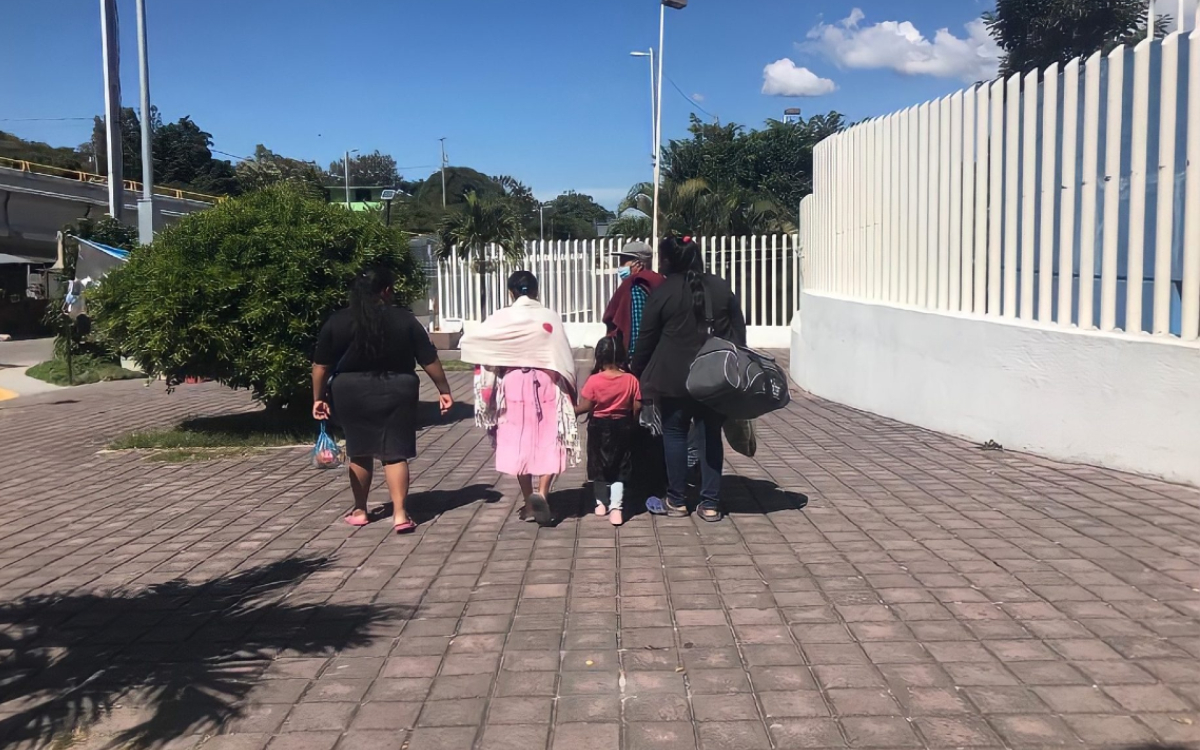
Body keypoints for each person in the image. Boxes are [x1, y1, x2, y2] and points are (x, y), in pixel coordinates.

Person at [312, 267, 453, 533]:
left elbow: (321, 366)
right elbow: (428, 359)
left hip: (350, 391)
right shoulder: (405, 320)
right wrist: (444, 389)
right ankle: (400, 515)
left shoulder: (337, 321)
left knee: (359, 450)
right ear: (386, 291)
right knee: (395, 453)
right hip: (398, 389)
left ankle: (360, 510)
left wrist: (318, 398)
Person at [631, 236, 747, 522]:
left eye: (662, 258)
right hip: (715, 378)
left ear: (669, 260)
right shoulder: (721, 287)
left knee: (675, 434)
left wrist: (637, 371)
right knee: (710, 436)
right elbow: (739, 334)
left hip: (673, 380)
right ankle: (710, 504)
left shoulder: (663, 291)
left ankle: (677, 500)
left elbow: (646, 339)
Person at [460, 271, 579, 527]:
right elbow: (563, 355)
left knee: (517, 439)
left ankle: (528, 500)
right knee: (550, 437)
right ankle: (542, 494)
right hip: (547, 381)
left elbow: (472, 342)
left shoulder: (501, 317)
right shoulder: (549, 316)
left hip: (513, 383)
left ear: (510, 292)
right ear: (536, 291)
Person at [576, 337, 641, 527]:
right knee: (621, 467)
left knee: (598, 466)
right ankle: (616, 508)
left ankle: (601, 504)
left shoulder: (594, 380)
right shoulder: (631, 379)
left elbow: (586, 406)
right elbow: (637, 405)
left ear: (599, 356)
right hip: (623, 425)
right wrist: (632, 420)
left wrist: (571, 410)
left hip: (598, 426)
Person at [602, 241, 664, 363]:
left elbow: (635, 330)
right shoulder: (658, 281)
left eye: (623, 262)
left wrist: (632, 360)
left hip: (636, 360)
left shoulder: (637, 286)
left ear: (638, 264)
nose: (620, 267)